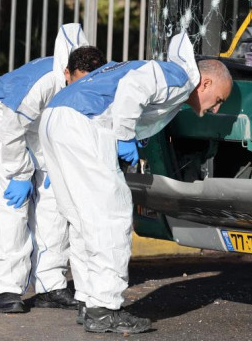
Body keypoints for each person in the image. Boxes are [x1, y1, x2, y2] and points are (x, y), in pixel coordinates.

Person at [39, 31, 232, 334]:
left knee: (82, 220)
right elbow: (133, 88)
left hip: (56, 117)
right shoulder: (178, 75)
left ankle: (90, 304)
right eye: (218, 99)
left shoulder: (159, 70)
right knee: (110, 217)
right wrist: (125, 134)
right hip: (83, 122)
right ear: (205, 83)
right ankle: (105, 308)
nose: (216, 108)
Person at [0, 24, 106, 313]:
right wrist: (19, 174)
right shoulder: (43, 83)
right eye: (77, 82)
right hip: (5, 116)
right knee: (12, 203)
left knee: (54, 201)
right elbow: (11, 131)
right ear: (66, 73)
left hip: (43, 122)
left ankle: (51, 283)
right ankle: (7, 288)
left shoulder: (93, 77)